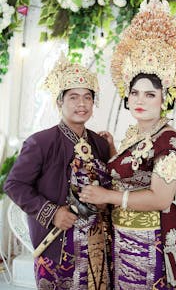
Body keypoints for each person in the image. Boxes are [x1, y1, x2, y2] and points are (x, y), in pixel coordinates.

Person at [79, 0, 176, 289]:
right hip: (122, 235)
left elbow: (161, 198)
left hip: (149, 240)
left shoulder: (170, 144)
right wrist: (111, 148)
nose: (139, 101)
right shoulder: (136, 132)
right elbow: (134, 173)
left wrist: (107, 196)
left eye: (150, 95)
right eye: (134, 93)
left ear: (165, 98)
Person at [4, 57, 115, 290]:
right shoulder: (41, 142)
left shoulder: (100, 144)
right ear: (59, 102)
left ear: (94, 104)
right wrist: (52, 213)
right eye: (73, 97)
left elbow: (112, 188)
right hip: (56, 241)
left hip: (96, 244)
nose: (81, 104)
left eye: (87, 97)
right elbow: (14, 185)